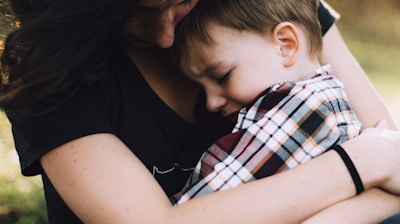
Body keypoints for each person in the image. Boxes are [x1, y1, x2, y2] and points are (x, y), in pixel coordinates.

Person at [0, 0, 399, 223]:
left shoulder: (268, 12)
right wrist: (360, 163)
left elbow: (395, 174)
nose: (165, 37)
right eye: (134, 14)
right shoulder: (50, 73)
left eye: (177, 3)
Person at [170, 0, 363, 204]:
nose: (211, 103)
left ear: (286, 45)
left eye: (222, 76)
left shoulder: (304, 109)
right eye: (201, 88)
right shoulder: (323, 99)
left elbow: (206, 202)